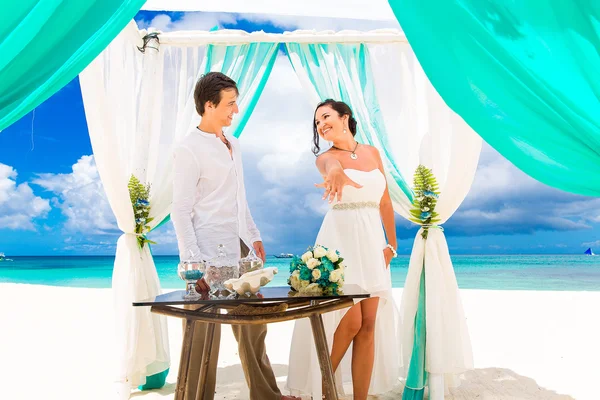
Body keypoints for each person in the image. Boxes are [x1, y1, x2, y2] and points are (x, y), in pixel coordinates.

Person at [172, 72, 298, 400]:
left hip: (241, 248)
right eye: (230, 104)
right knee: (204, 331)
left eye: (236, 102)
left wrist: (253, 236)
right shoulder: (188, 149)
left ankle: (267, 395)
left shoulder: (234, 145)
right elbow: (180, 210)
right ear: (208, 105)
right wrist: (192, 260)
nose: (236, 110)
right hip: (207, 250)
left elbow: (240, 197)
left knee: (253, 326)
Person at [286, 99, 402, 399]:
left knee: (369, 324)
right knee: (350, 322)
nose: (321, 124)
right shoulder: (324, 158)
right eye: (316, 122)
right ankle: (326, 389)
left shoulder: (372, 152)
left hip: (373, 243)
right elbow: (329, 165)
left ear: (344, 117)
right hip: (341, 242)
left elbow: (385, 202)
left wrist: (391, 244)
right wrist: (335, 168)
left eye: (325, 117)